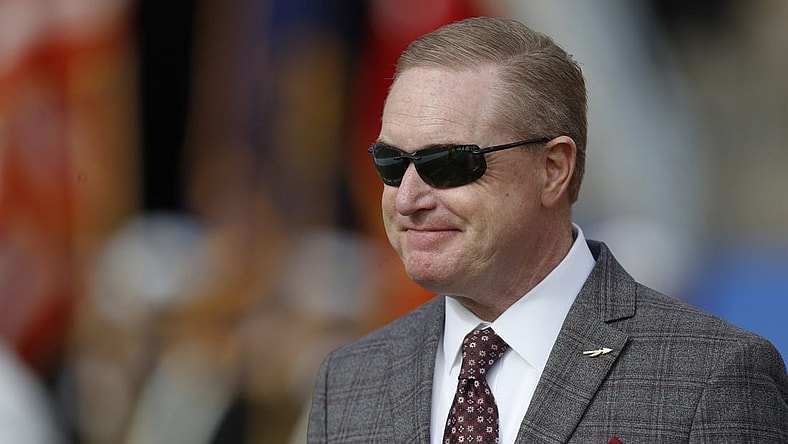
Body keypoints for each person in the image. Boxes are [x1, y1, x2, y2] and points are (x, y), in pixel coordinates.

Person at [307, 16, 788, 443]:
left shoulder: (711, 376)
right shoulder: (349, 381)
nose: (407, 199)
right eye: (391, 164)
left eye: (450, 163)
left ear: (553, 169)